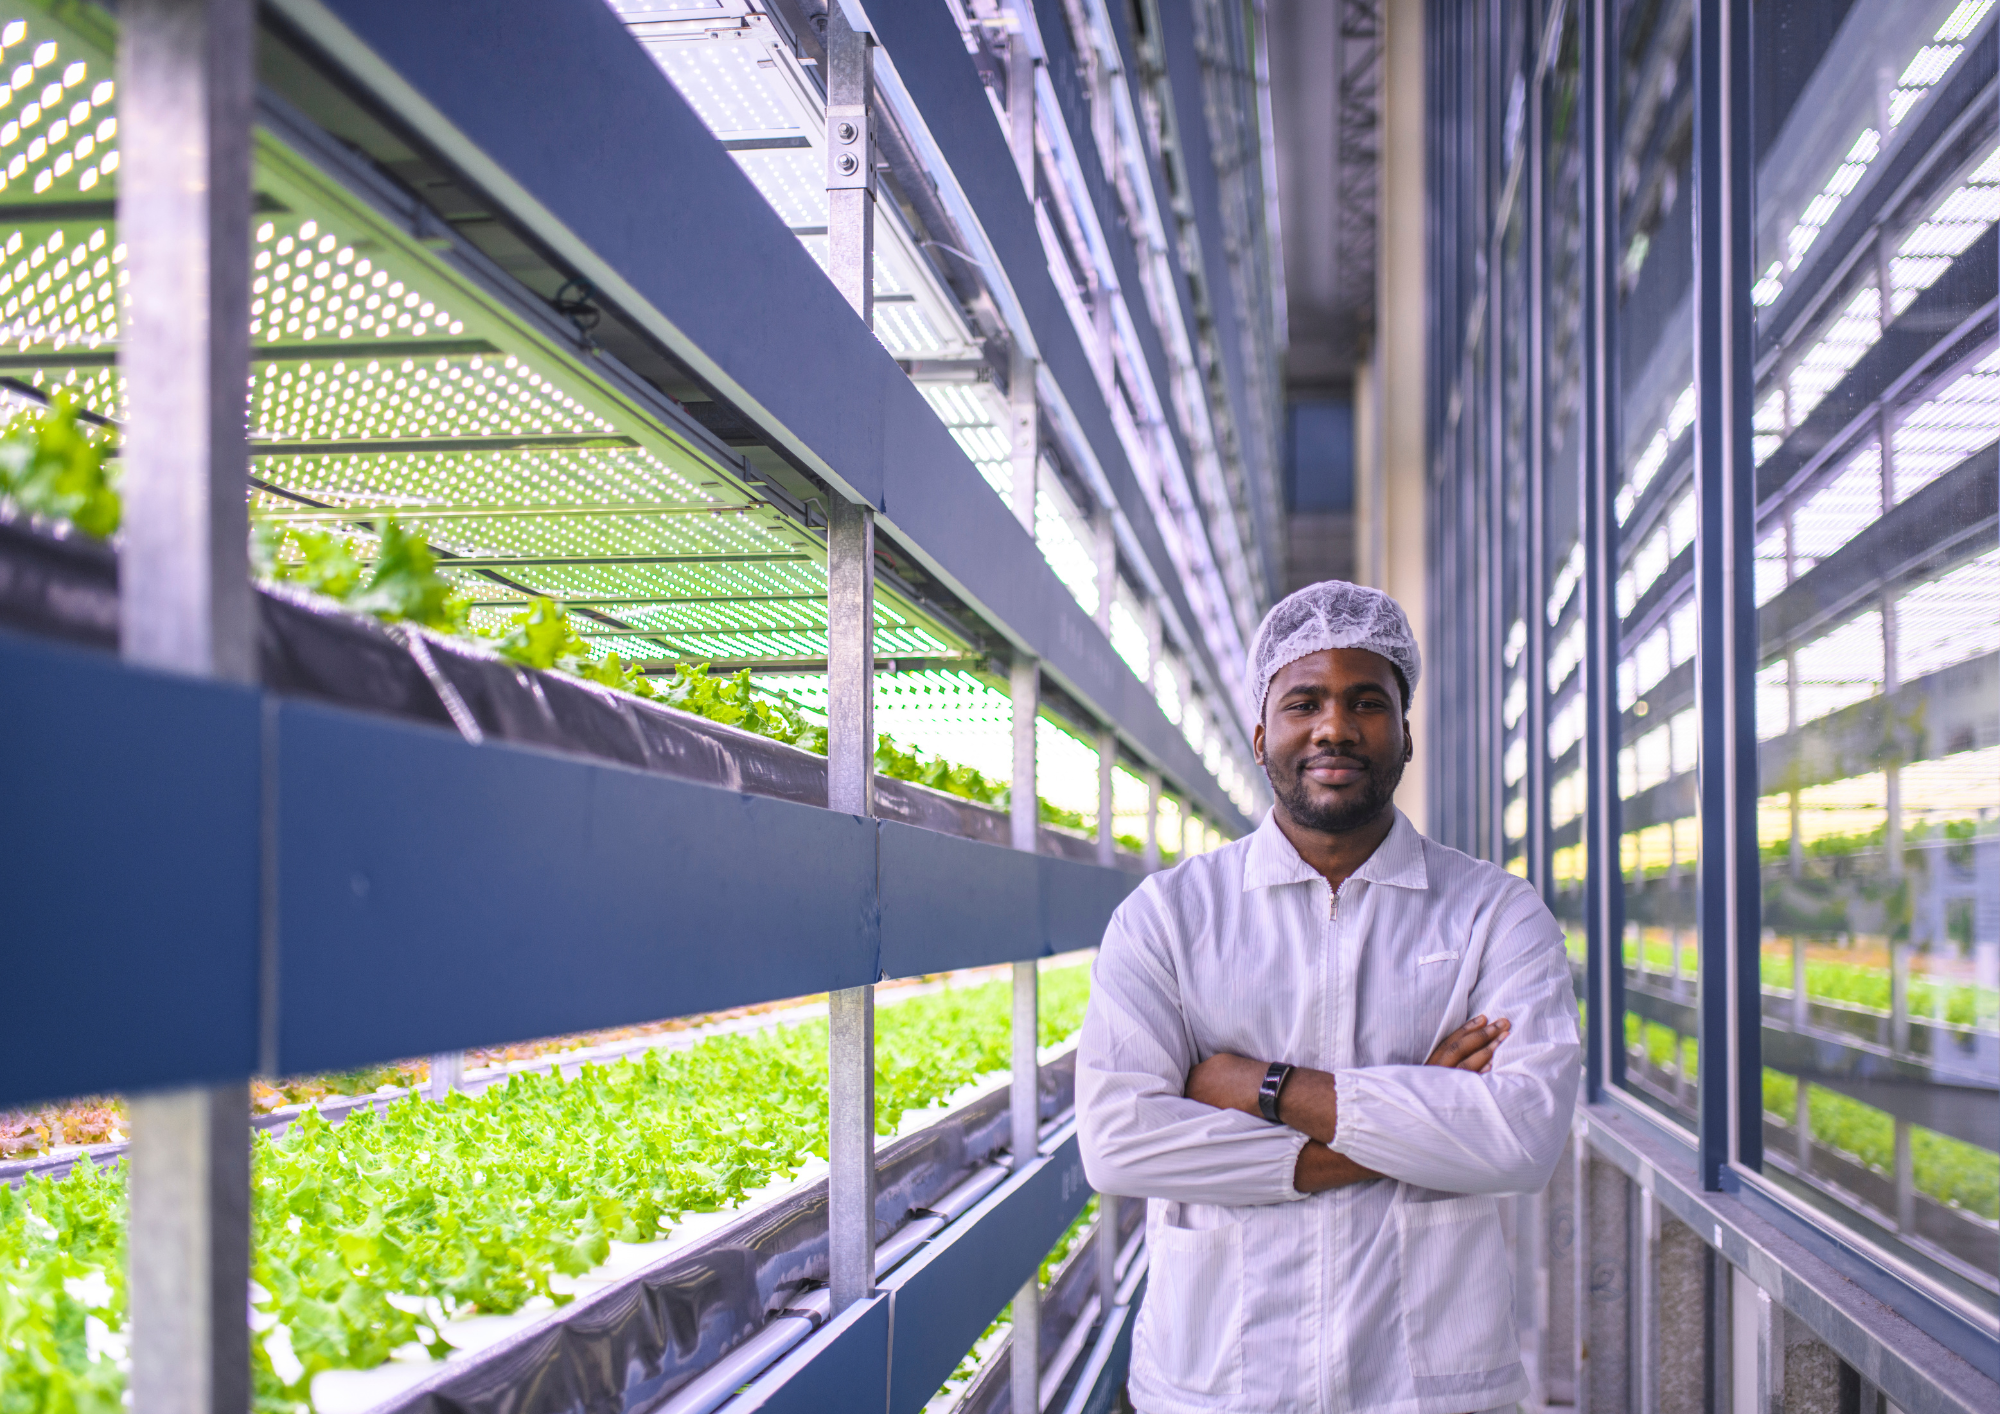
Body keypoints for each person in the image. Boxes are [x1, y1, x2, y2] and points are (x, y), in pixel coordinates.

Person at [1076, 580, 1581, 1414]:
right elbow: (1120, 1144)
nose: (1335, 727)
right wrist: (1426, 1101)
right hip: (1218, 1386)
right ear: (1259, 733)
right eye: (1304, 700)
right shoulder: (1169, 919)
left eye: (1367, 702)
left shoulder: (1497, 914)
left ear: (1406, 734)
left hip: (1427, 1389)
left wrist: (1265, 1089)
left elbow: (1522, 1142)